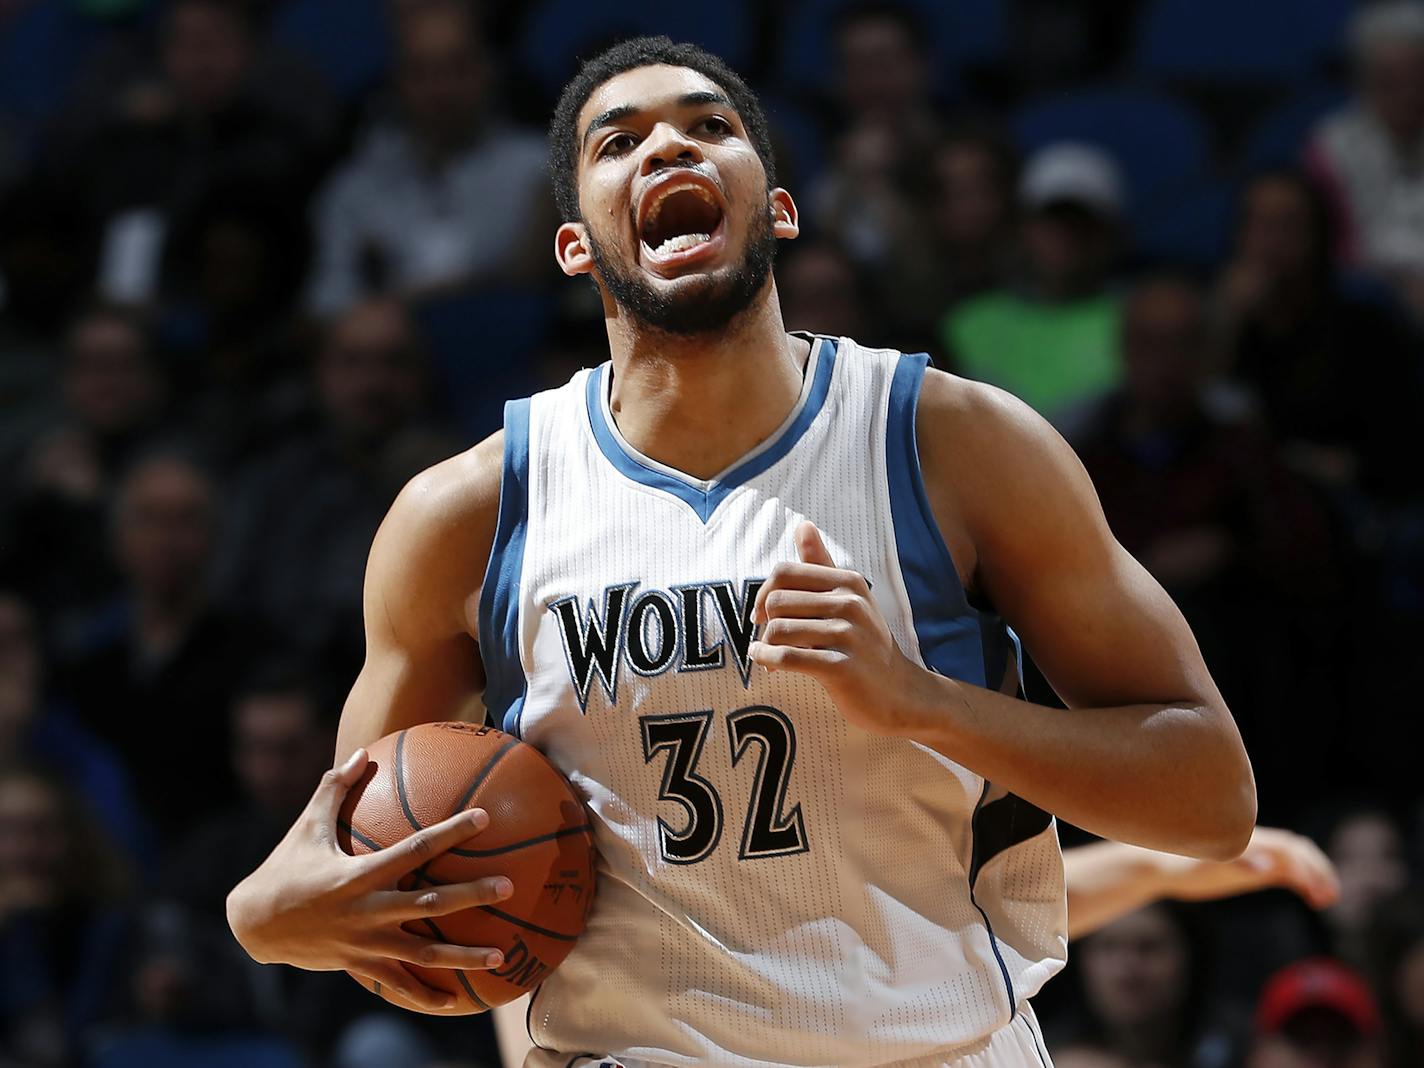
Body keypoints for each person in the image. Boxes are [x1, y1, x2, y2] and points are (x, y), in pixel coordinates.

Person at [227, 36, 1255, 1068]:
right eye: (618, 141)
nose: (670, 149)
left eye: (709, 128)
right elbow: (371, 880)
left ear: (777, 210)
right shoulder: (466, 514)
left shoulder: (955, 444)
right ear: (575, 246)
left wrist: (922, 703)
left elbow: (1209, 798)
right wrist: (268, 921)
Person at [305, 0, 550, 316]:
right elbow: (327, 307)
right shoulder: (353, 191)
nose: (441, 90)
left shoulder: (539, 172)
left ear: (489, 71)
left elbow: (532, 295)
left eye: (457, 68)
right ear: (396, 81)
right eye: (422, 72)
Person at [941, 142, 1126, 420]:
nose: (1065, 238)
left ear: (1109, 235)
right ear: (1024, 228)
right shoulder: (968, 323)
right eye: (1052, 222)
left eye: (1080, 224)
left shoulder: (1136, 322)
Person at [1307, 1, 1424, 317]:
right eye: (1390, 80)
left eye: (1416, 77)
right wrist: (1396, 285)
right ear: (1364, 80)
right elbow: (1326, 247)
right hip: (1361, 302)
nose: (1408, 93)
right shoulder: (1331, 146)